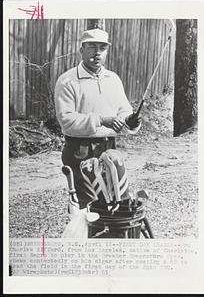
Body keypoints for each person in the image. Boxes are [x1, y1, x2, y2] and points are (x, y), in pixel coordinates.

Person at [55, 28, 141, 218]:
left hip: (109, 148)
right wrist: (101, 120)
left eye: (102, 48)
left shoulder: (113, 79)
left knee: (115, 200)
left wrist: (130, 120)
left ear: (107, 51)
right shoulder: (68, 81)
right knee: (88, 207)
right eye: (92, 47)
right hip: (79, 150)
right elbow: (66, 120)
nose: (97, 52)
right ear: (81, 50)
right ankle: (86, 242)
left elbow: (123, 110)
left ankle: (113, 241)